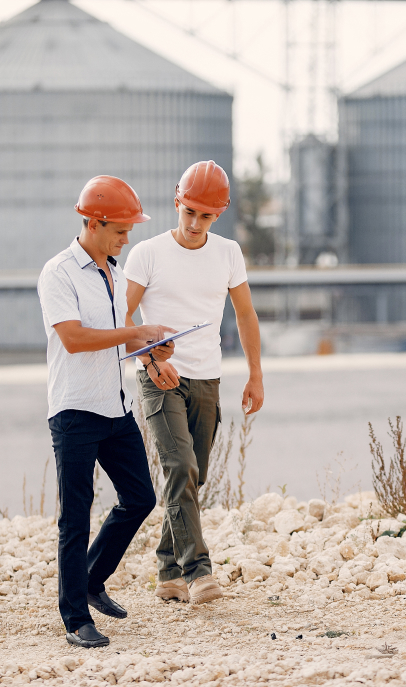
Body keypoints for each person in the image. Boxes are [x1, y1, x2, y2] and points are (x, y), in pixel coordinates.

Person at [38, 176, 176, 648]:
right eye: (120, 230)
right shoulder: (57, 273)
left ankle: (92, 579)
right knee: (74, 517)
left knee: (140, 498)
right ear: (93, 223)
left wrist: (152, 354)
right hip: (74, 410)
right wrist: (136, 333)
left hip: (115, 408)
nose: (126, 238)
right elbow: (75, 339)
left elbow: (120, 333)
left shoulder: (113, 273)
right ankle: (76, 617)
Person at [124, 160, 264, 605]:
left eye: (205, 216)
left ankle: (167, 573)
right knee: (179, 468)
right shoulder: (146, 253)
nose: (194, 223)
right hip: (160, 377)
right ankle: (199, 573)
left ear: (217, 215)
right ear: (177, 201)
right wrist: (149, 361)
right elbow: (121, 317)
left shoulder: (228, 253)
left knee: (192, 476)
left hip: (208, 378)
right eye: (189, 212)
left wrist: (255, 374)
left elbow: (245, 314)